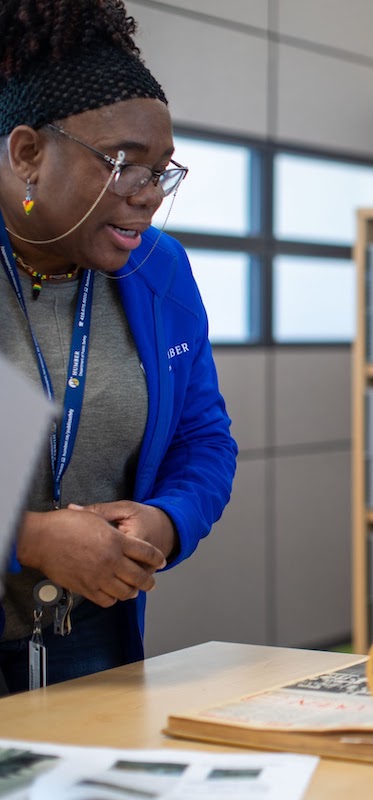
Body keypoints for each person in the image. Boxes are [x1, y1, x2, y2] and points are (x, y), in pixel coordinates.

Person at [0, 0, 237, 693]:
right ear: (27, 154)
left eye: (163, 170)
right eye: (123, 165)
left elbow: (204, 437)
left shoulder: (158, 270)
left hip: (94, 641)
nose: (149, 196)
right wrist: (31, 539)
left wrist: (167, 520)